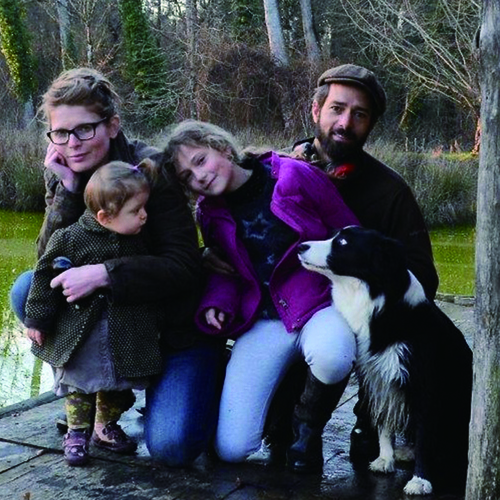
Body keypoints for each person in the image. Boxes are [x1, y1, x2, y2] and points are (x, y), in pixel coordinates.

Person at [9, 68, 224, 467]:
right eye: (61, 133)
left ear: (112, 125)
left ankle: (194, 381)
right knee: (27, 290)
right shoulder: (65, 170)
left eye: (84, 129)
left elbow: (184, 266)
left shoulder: (150, 170)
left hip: (168, 328)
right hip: (113, 322)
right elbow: (48, 262)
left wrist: (105, 274)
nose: (72, 144)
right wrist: (68, 192)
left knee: (173, 447)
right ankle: (87, 391)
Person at [163, 120, 360, 474]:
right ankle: (274, 417)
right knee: (232, 448)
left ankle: (304, 430)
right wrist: (217, 303)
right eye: (187, 176)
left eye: (200, 161)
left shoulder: (293, 176)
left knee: (333, 355)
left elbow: (347, 230)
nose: (199, 177)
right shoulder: (209, 212)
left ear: (223, 148)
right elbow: (226, 268)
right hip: (265, 319)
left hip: (317, 304)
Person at [291, 63, 439, 462]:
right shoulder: (283, 171)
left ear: (371, 124)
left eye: (360, 114)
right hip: (289, 307)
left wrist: (367, 296)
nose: (346, 123)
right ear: (316, 110)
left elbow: (423, 277)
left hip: (355, 318)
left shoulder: (390, 191)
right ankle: (289, 421)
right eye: (337, 109)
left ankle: (372, 419)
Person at [24, 160, 164, 465]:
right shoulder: (69, 238)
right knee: (80, 384)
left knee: (120, 385)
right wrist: (37, 319)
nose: (144, 215)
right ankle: (77, 431)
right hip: (82, 331)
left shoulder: (140, 240)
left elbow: (153, 277)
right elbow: (44, 277)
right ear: (105, 216)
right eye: (136, 210)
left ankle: (105, 425)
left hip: (127, 331)